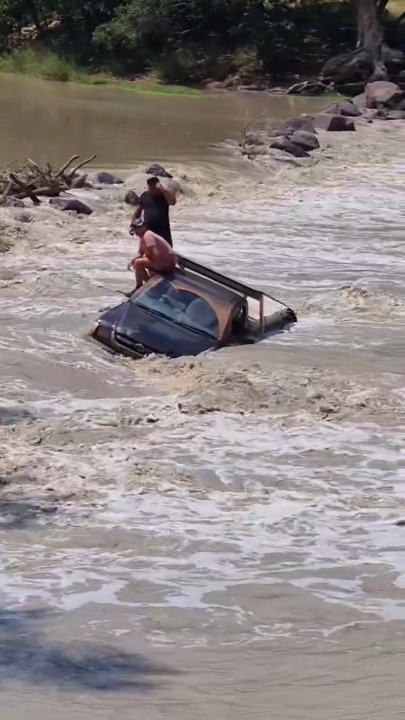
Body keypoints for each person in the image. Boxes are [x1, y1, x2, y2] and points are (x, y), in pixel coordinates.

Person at [127, 218, 177, 292]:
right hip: (162, 261)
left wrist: (151, 268)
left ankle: (143, 286)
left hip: (166, 263)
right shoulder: (142, 237)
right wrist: (131, 260)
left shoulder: (148, 235)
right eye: (135, 227)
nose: (137, 230)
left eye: (139, 227)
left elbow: (154, 254)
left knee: (138, 263)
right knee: (136, 263)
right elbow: (140, 252)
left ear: (145, 227)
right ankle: (147, 285)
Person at [129, 176, 176, 247]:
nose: (150, 189)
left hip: (163, 231)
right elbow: (137, 212)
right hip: (149, 230)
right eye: (149, 186)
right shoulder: (145, 196)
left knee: (167, 251)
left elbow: (173, 202)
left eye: (153, 186)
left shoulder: (163, 196)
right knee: (150, 251)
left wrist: (163, 190)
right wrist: (132, 225)